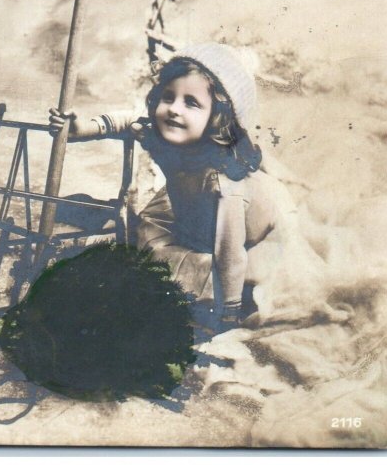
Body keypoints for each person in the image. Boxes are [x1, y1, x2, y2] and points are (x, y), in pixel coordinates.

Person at [49, 43, 284, 327]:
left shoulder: (224, 184)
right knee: (145, 236)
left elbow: (230, 255)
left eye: (191, 103)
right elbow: (129, 122)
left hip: (241, 236)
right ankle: (86, 234)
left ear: (218, 120)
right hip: (192, 213)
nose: (173, 109)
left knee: (183, 278)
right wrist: (81, 129)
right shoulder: (164, 133)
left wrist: (229, 314)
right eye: (168, 97)